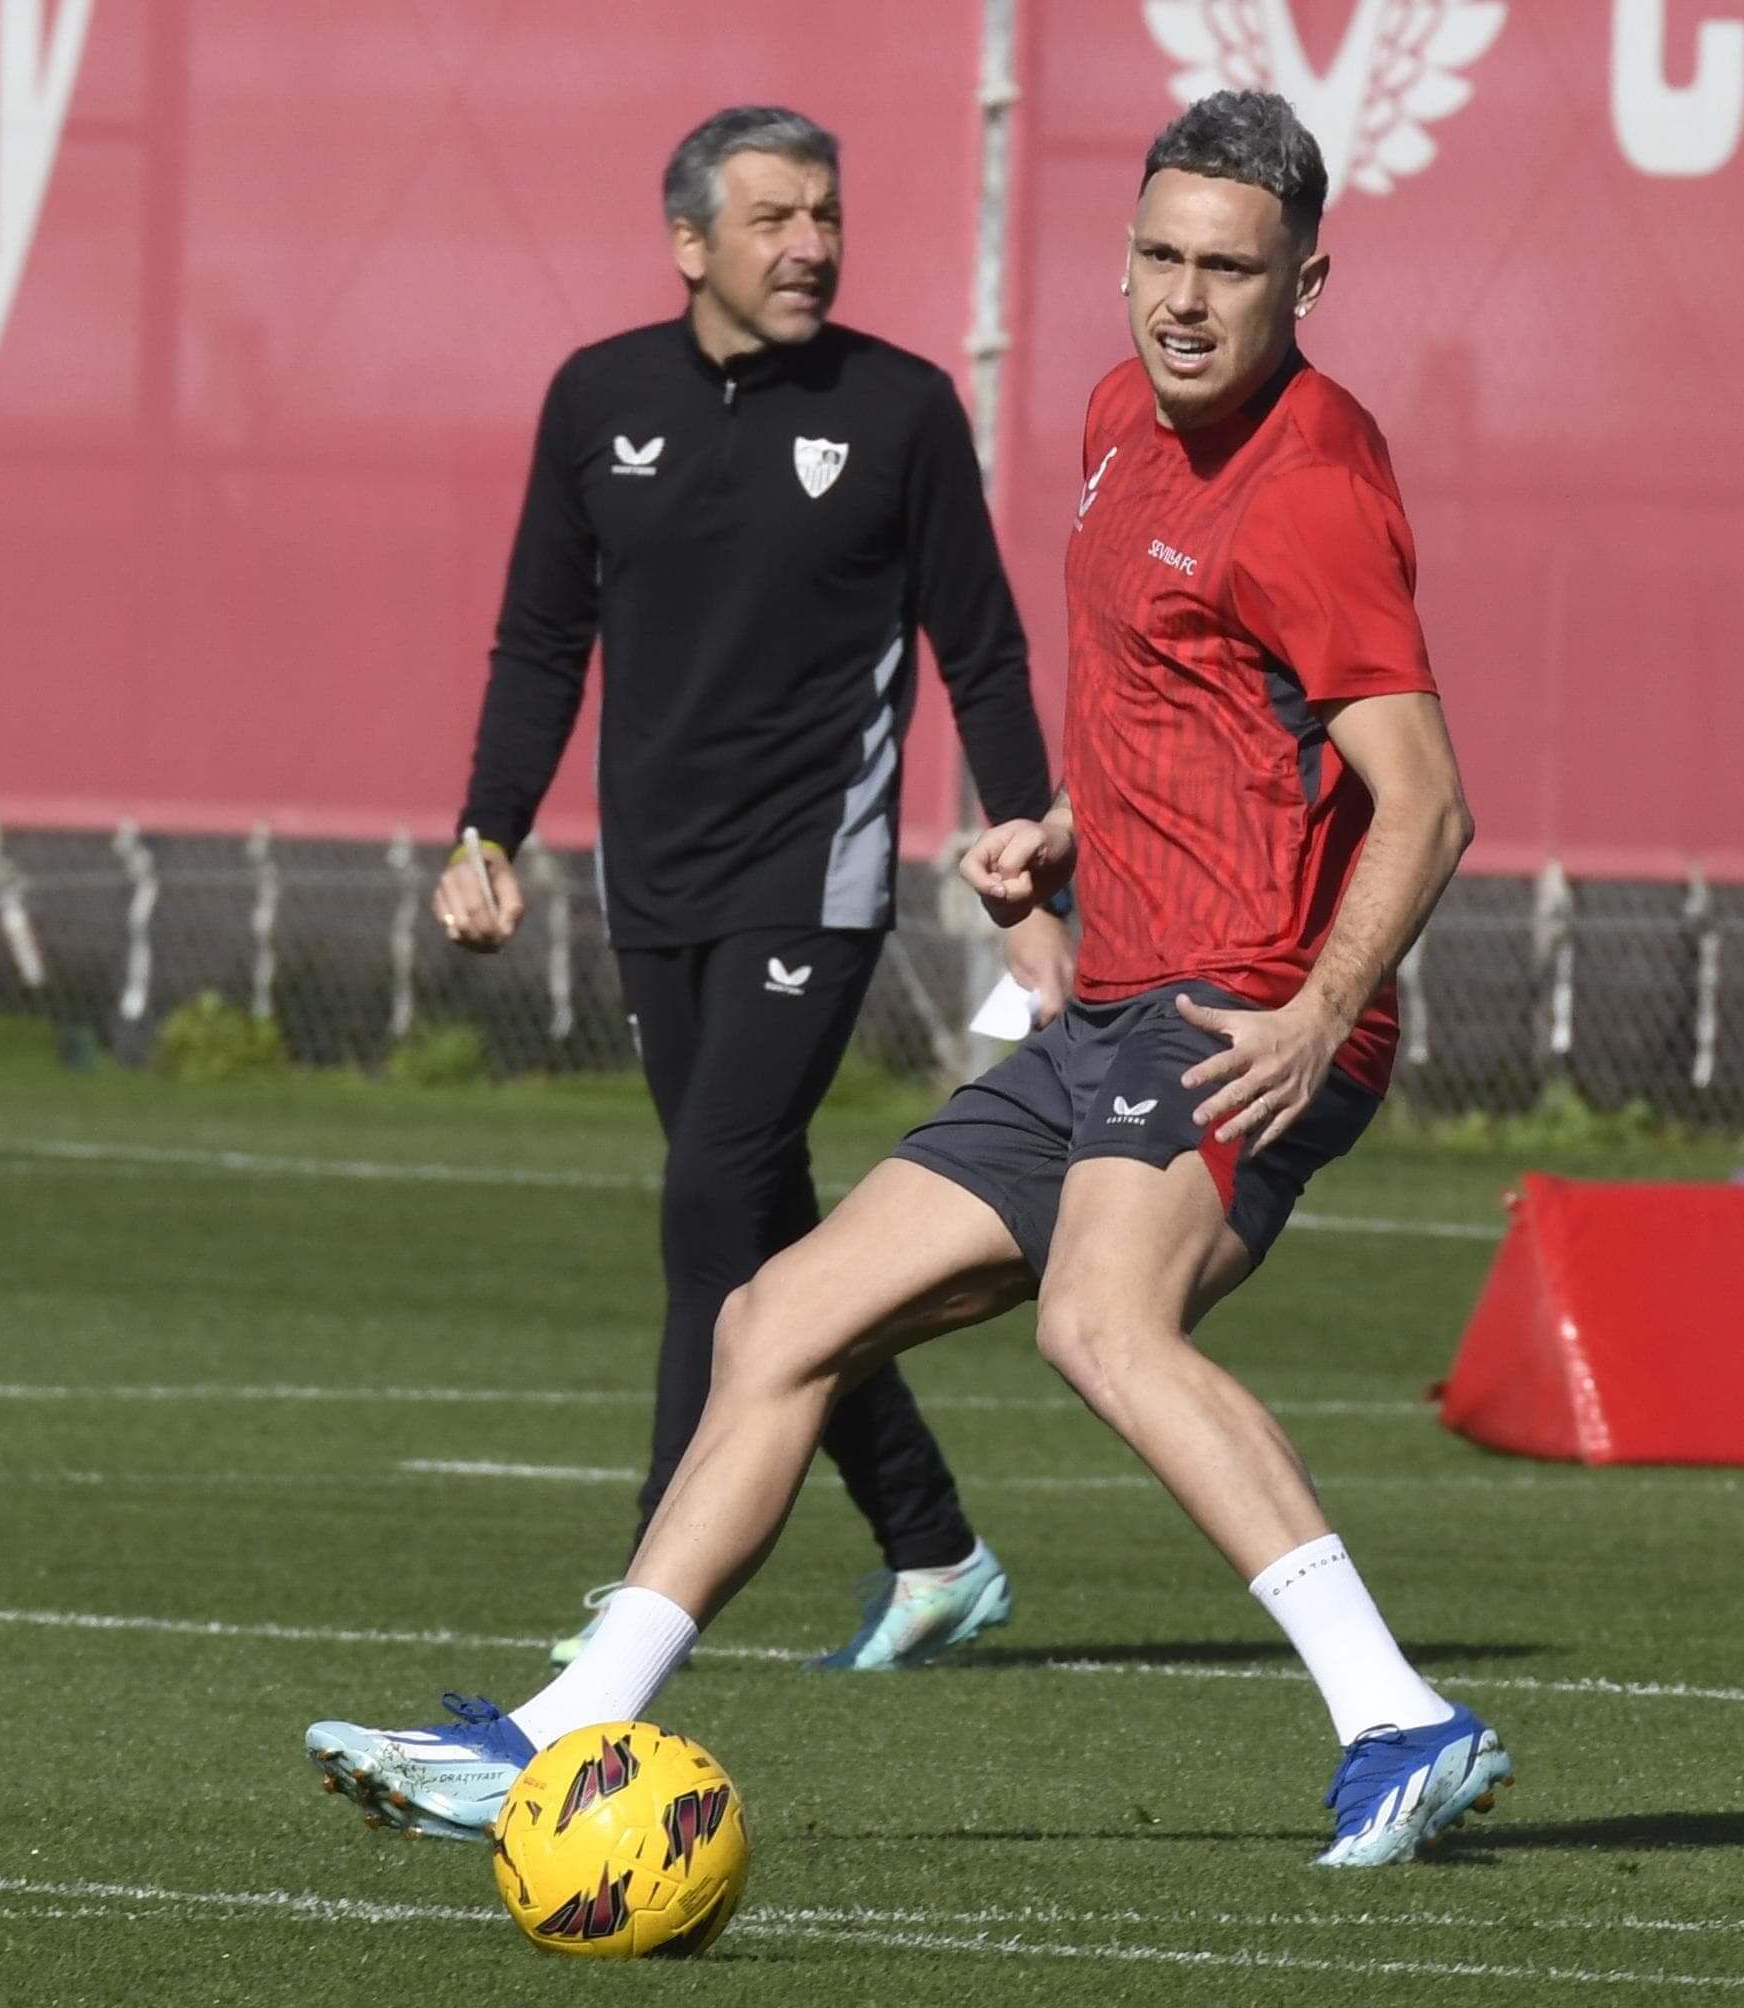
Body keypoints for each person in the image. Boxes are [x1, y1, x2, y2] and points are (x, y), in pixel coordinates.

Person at [311, 88, 1510, 1868]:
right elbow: (1190, 715)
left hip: (1242, 1012)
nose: (1184, 301)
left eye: (1230, 272)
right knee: (772, 1320)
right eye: (1160, 259)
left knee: (1100, 1323)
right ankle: (560, 1732)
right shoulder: (1121, 418)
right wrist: (1064, 833)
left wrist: (1319, 1015)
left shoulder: (1313, 493)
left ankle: (1399, 1717)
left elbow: (1427, 801)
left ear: (1308, 280)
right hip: (1113, 1000)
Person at [431, 105, 1073, 1674]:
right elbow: (538, 641)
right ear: (689, 243)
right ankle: (931, 1545)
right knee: (765, 1220)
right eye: (775, 217)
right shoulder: (597, 399)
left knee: (712, 1195)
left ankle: (658, 1567)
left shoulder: (901, 408)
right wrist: (485, 829)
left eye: (826, 216)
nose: (810, 245)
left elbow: (980, 650)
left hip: (815, 876)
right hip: (654, 881)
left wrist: (1030, 872)